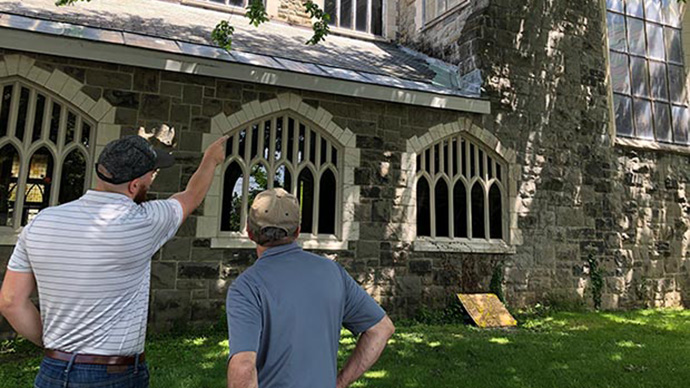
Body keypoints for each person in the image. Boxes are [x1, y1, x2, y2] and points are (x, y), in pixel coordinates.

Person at [0, 134, 227, 388]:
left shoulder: (40, 223)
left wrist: (58, 346)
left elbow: (10, 301)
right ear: (133, 186)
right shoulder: (142, 223)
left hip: (52, 369)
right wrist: (210, 160)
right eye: (151, 176)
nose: (152, 181)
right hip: (113, 375)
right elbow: (191, 195)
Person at [226, 188, 395, 388]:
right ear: (297, 231)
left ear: (249, 231)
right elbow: (381, 328)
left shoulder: (246, 287)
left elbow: (243, 368)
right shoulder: (333, 272)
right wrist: (340, 383)